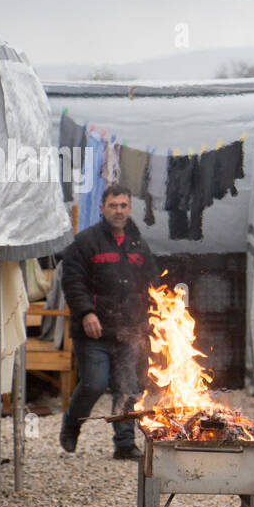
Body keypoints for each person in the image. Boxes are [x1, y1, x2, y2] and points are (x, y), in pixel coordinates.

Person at [59, 184, 158, 459]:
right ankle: (71, 424)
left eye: (123, 205)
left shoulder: (138, 243)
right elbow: (72, 280)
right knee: (94, 383)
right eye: (113, 206)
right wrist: (86, 312)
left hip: (129, 330)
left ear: (129, 208)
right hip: (93, 332)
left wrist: (155, 315)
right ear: (102, 209)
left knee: (128, 387)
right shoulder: (86, 241)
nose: (119, 211)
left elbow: (152, 282)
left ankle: (124, 444)